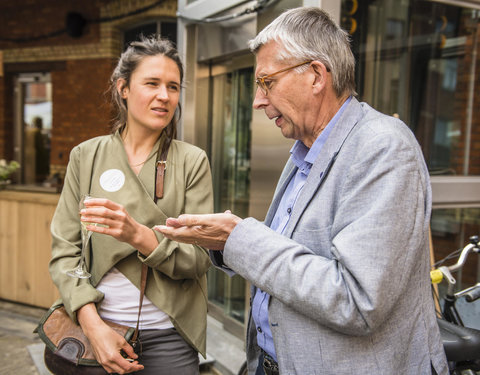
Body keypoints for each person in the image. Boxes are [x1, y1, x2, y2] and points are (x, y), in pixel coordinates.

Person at [155, 7, 448, 375]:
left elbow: (357, 301)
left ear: (314, 76)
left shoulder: (383, 147)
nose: (258, 101)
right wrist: (222, 243)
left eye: (266, 83)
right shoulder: (306, 150)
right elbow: (289, 252)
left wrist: (239, 238)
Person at [48, 35, 213, 375]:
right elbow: (65, 252)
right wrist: (93, 326)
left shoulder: (192, 161)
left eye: (173, 86)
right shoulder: (86, 156)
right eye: (151, 83)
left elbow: (198, 259)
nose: (164, 96)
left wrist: (137, 234)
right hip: (97, 328)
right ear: (123, 88)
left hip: (169, 336)